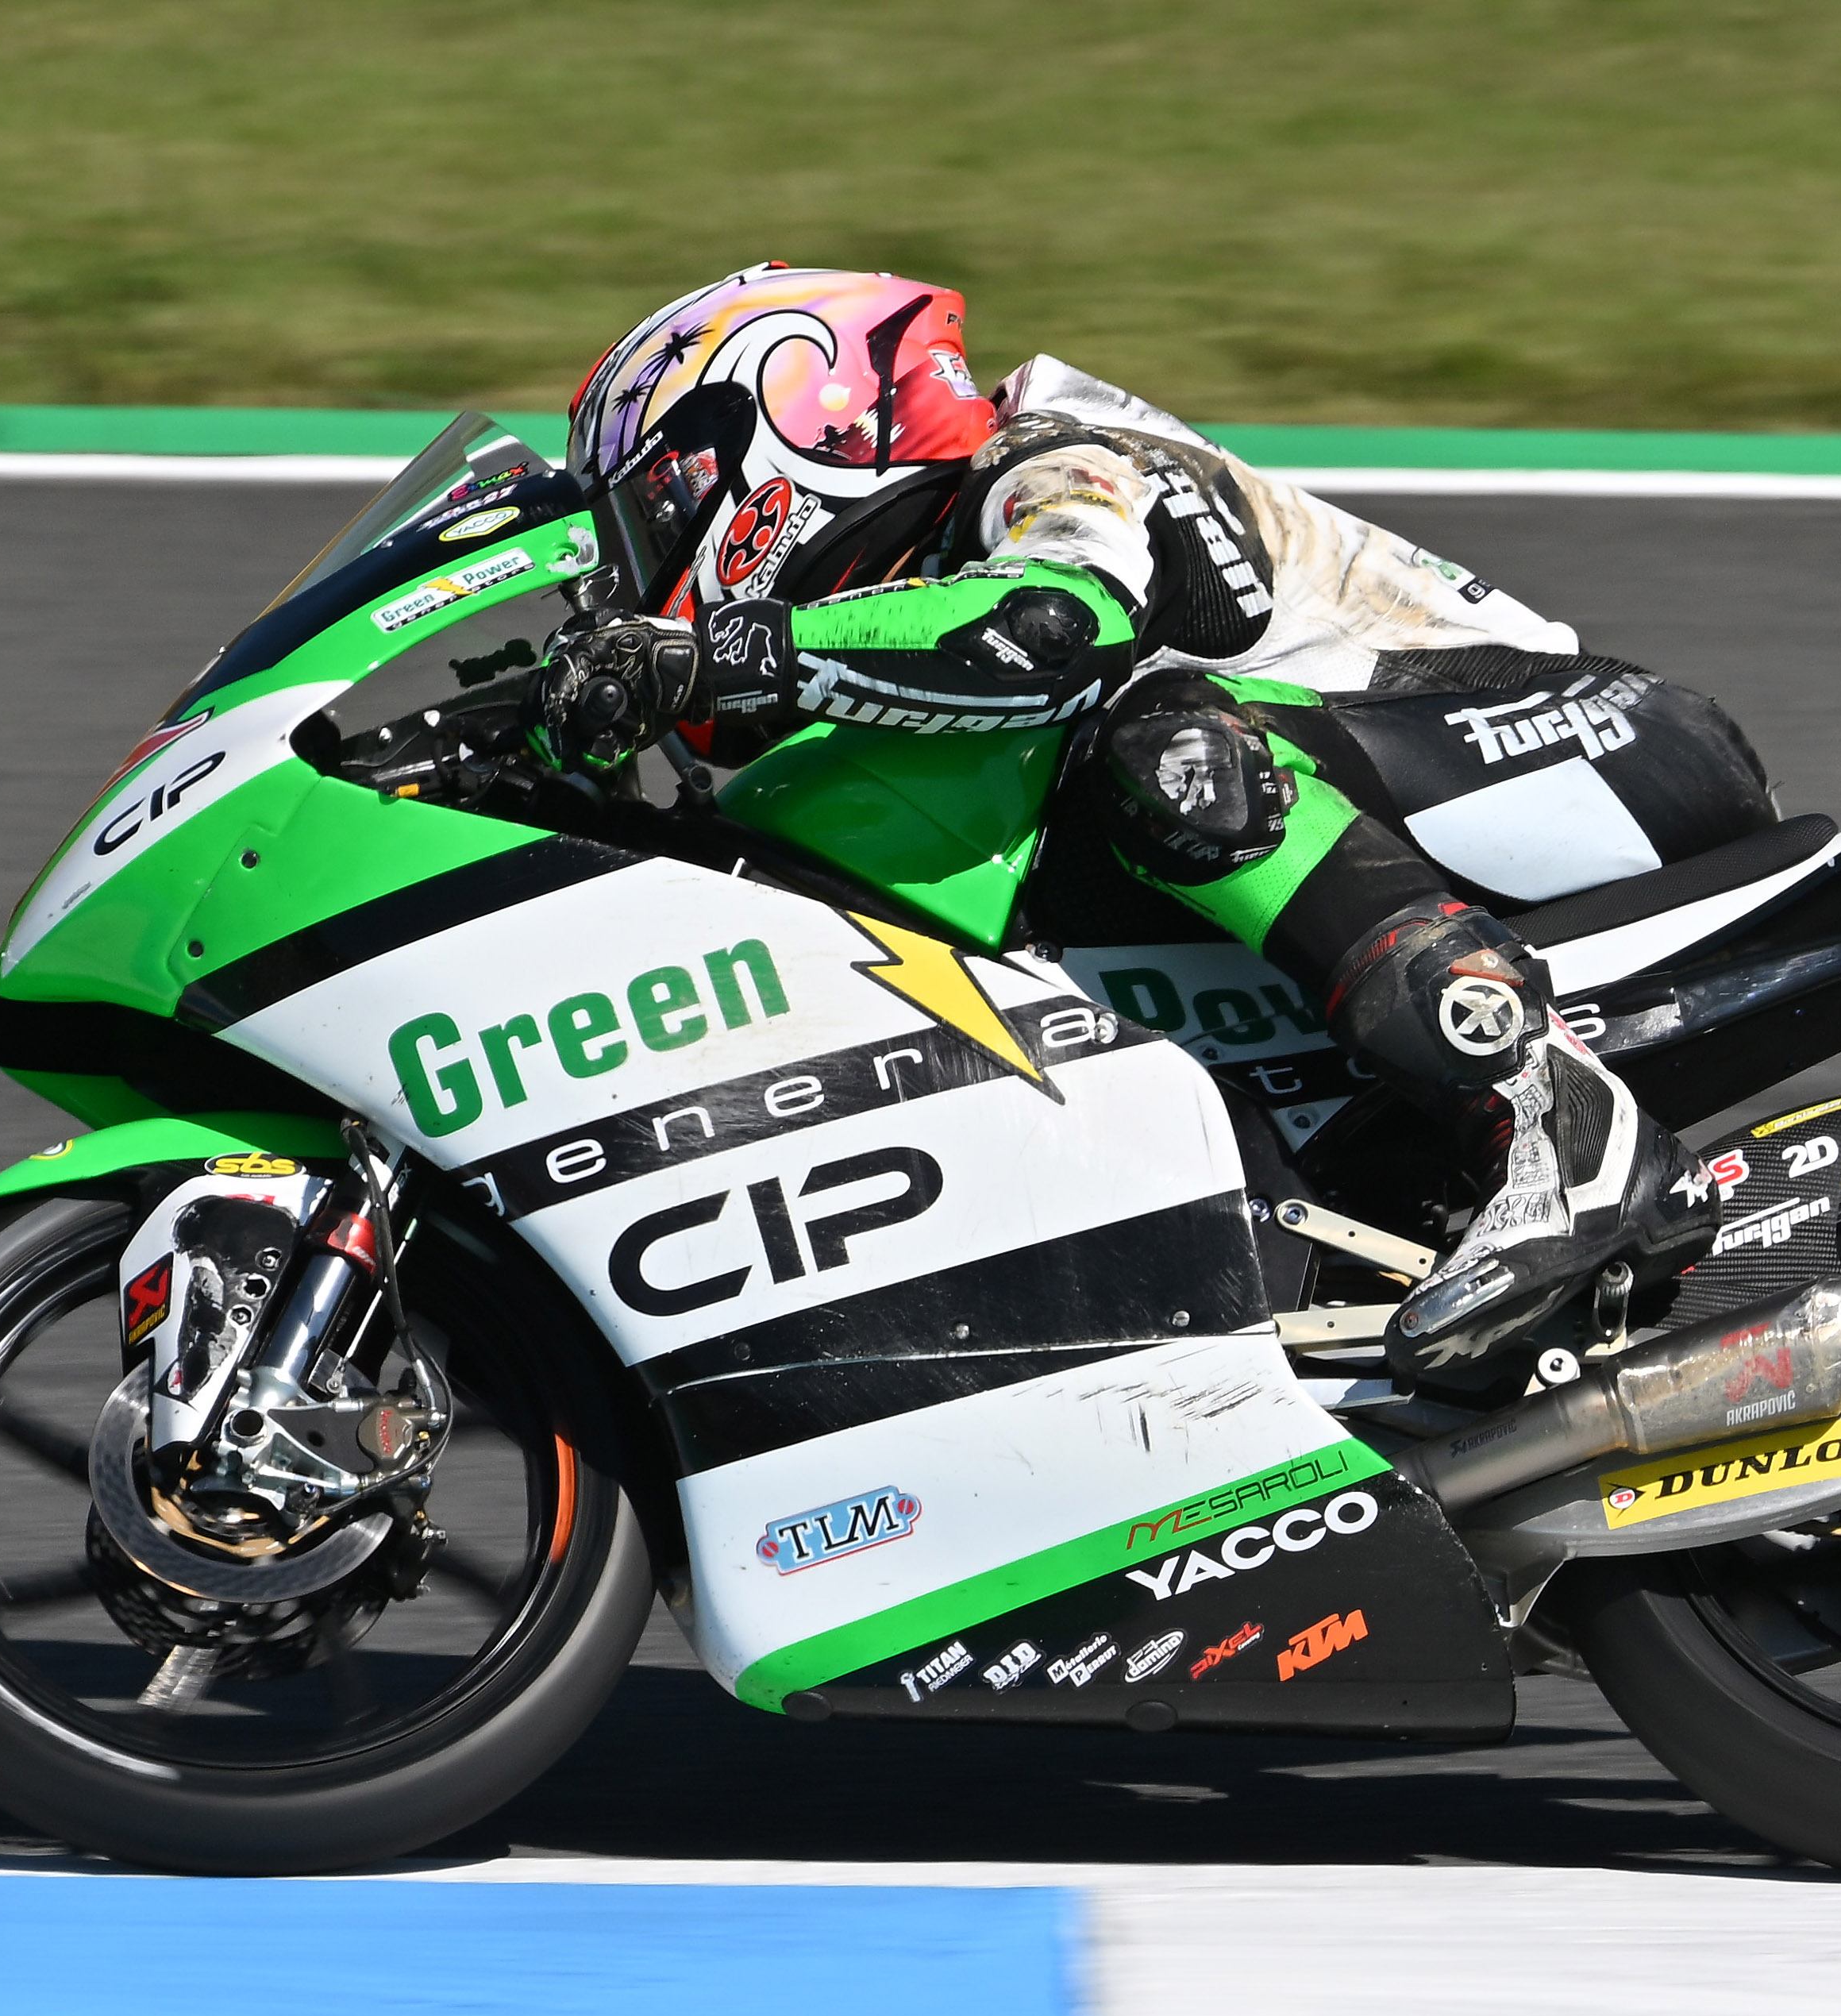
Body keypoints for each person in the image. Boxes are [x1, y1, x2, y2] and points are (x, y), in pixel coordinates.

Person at [539, 265, 1777, 1383]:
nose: (637, 571)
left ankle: (1560, 1114)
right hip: (1426, 793)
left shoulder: (1049, 461)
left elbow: (1048, 628)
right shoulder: (904, 587)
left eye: (652, 515)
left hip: (1597, 747)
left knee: (1162, 742)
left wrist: (719, 650)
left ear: (793, 433)